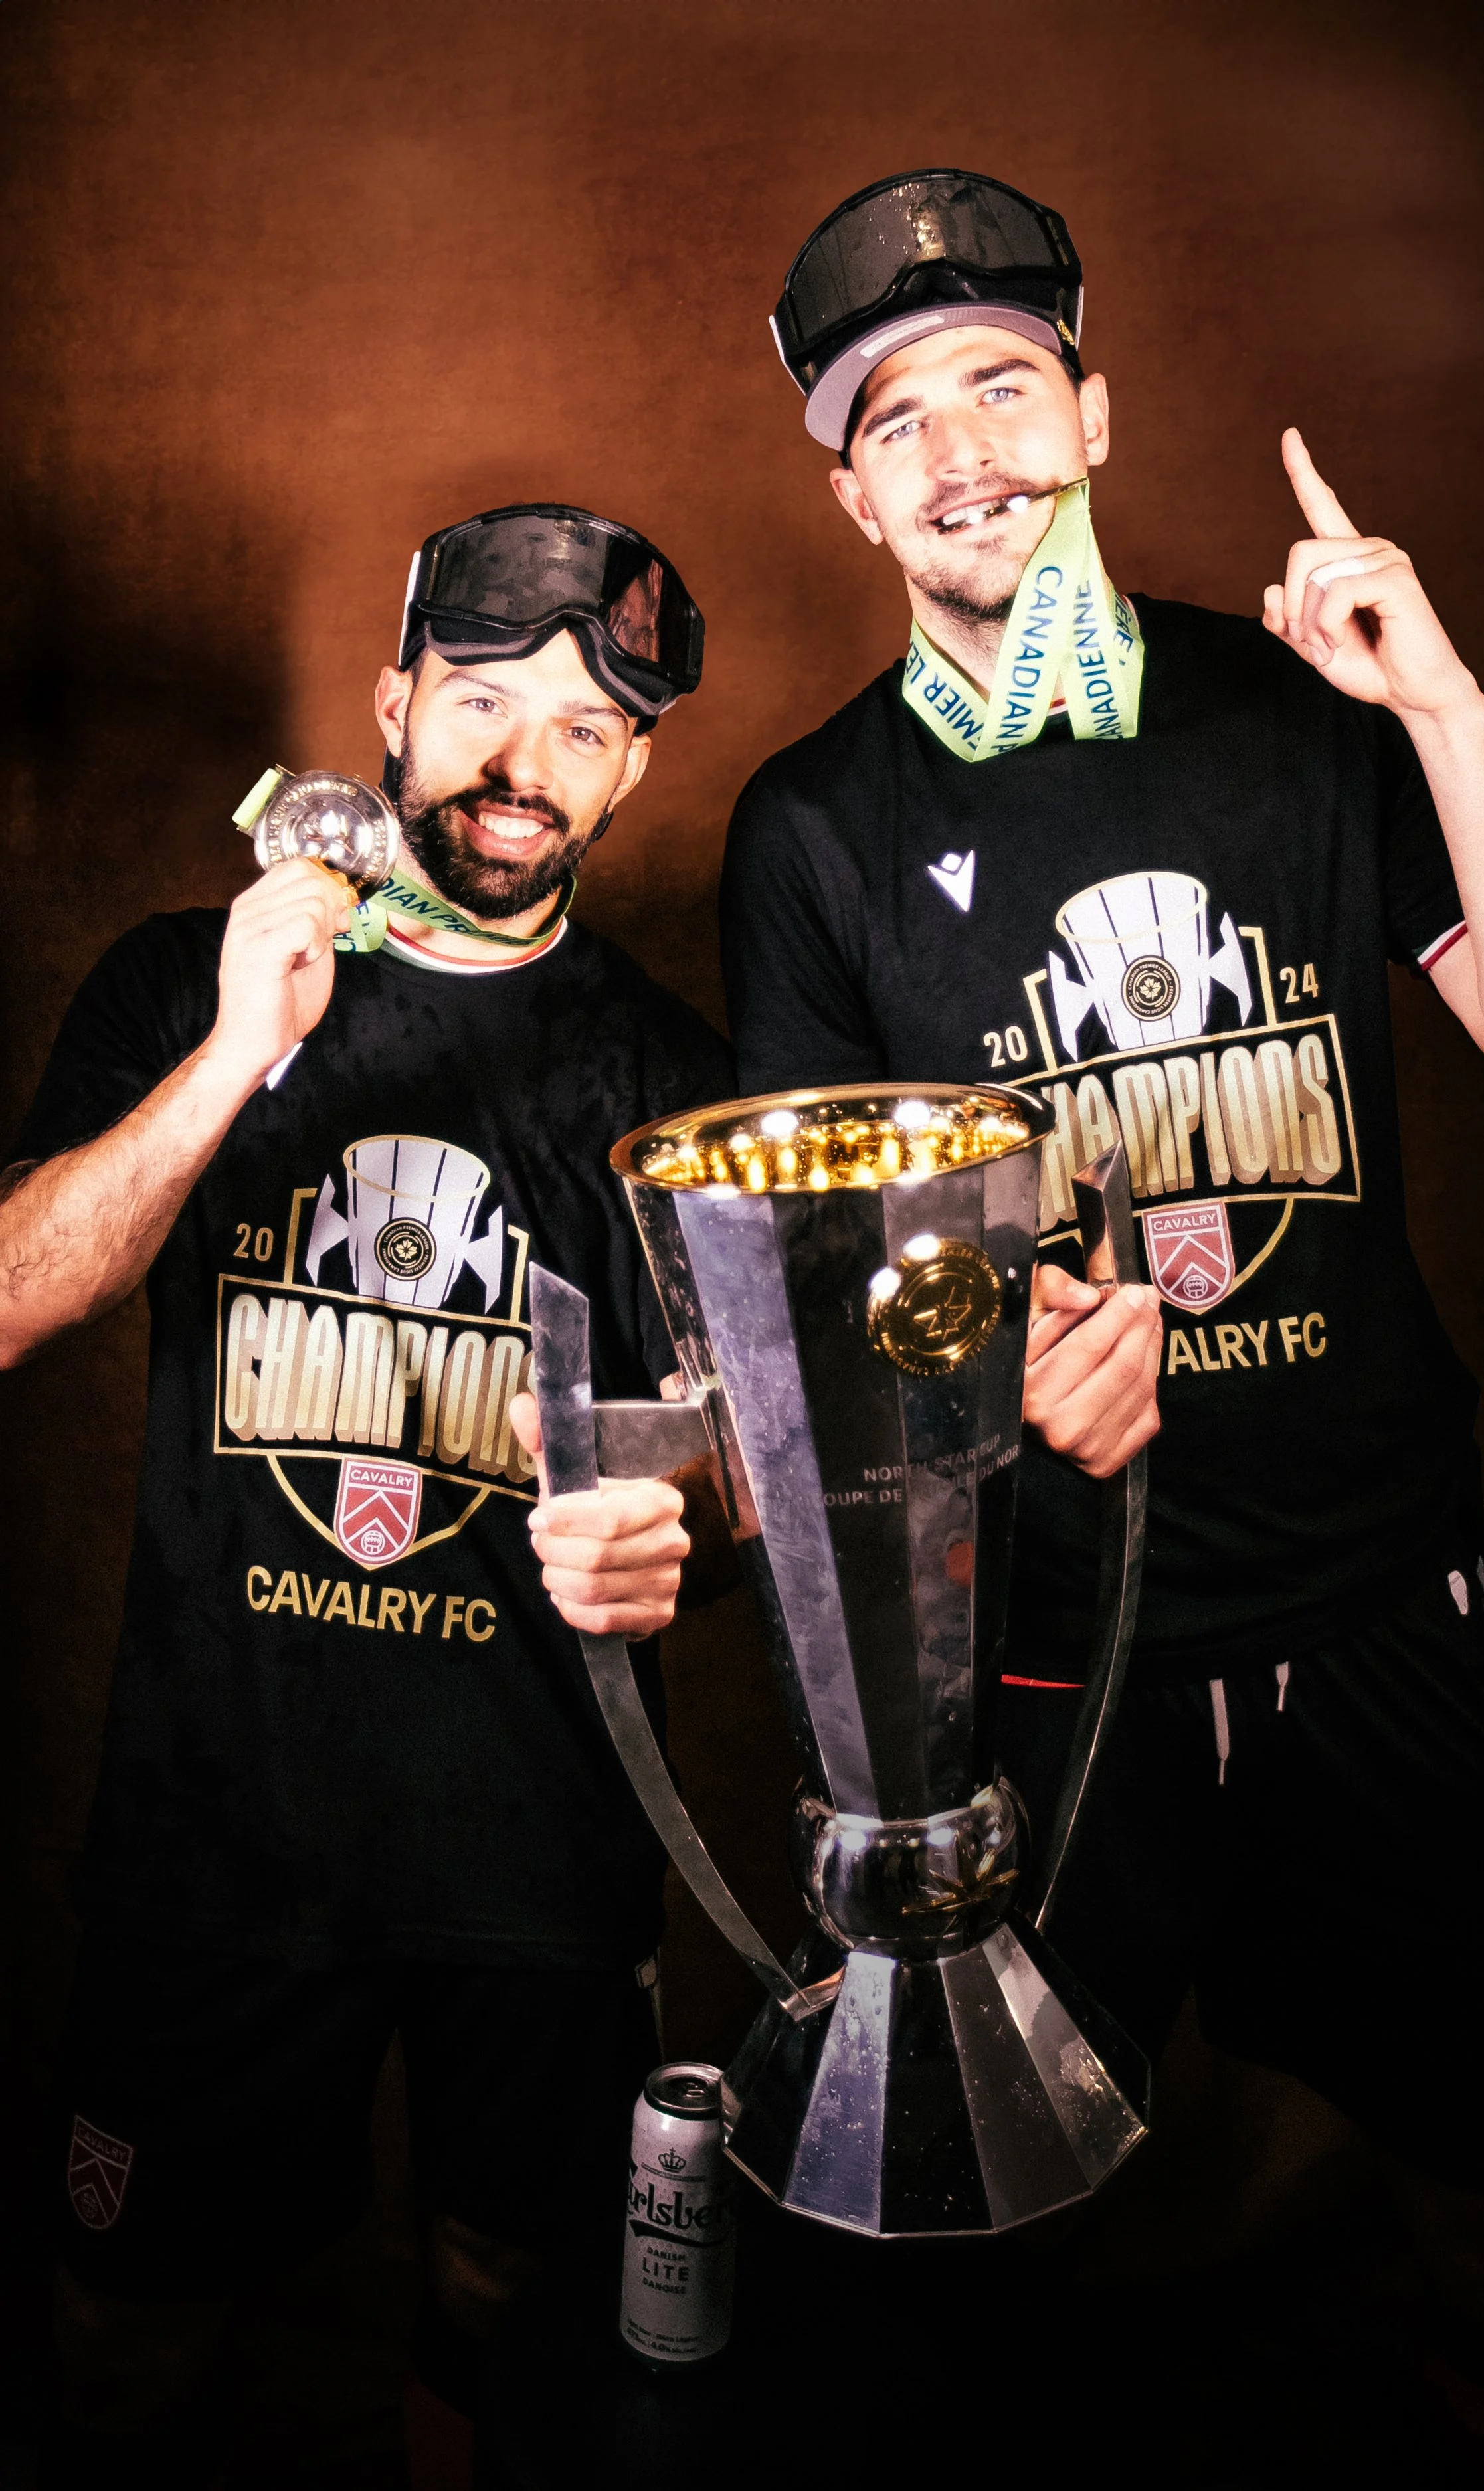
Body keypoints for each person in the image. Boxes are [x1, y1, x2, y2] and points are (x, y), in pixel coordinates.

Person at [723, 171, 1484, 2458]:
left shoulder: (1298, 709)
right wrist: (990, 1371)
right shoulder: (811, 825)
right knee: (965, 2270)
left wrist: (1442, 705)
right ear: (848, 497)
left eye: (1003, 382)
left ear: (1098, 414)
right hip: (1058, 1660)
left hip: (1379, 1607)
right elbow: (828, 1317)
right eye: (893, 418)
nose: (961, 447)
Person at [1, 503, 733, 2489]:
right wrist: (238, 1052)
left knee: (509, 2334)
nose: (524, 764)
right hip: (217, 1842)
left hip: (540, 1860)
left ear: (632, 770)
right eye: (482, 701)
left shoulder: (672, 1077)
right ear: (392, 702)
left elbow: (735, 1456)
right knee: (124, 2339)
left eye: (586, 729)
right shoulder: (189, 977)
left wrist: (675, 1510)